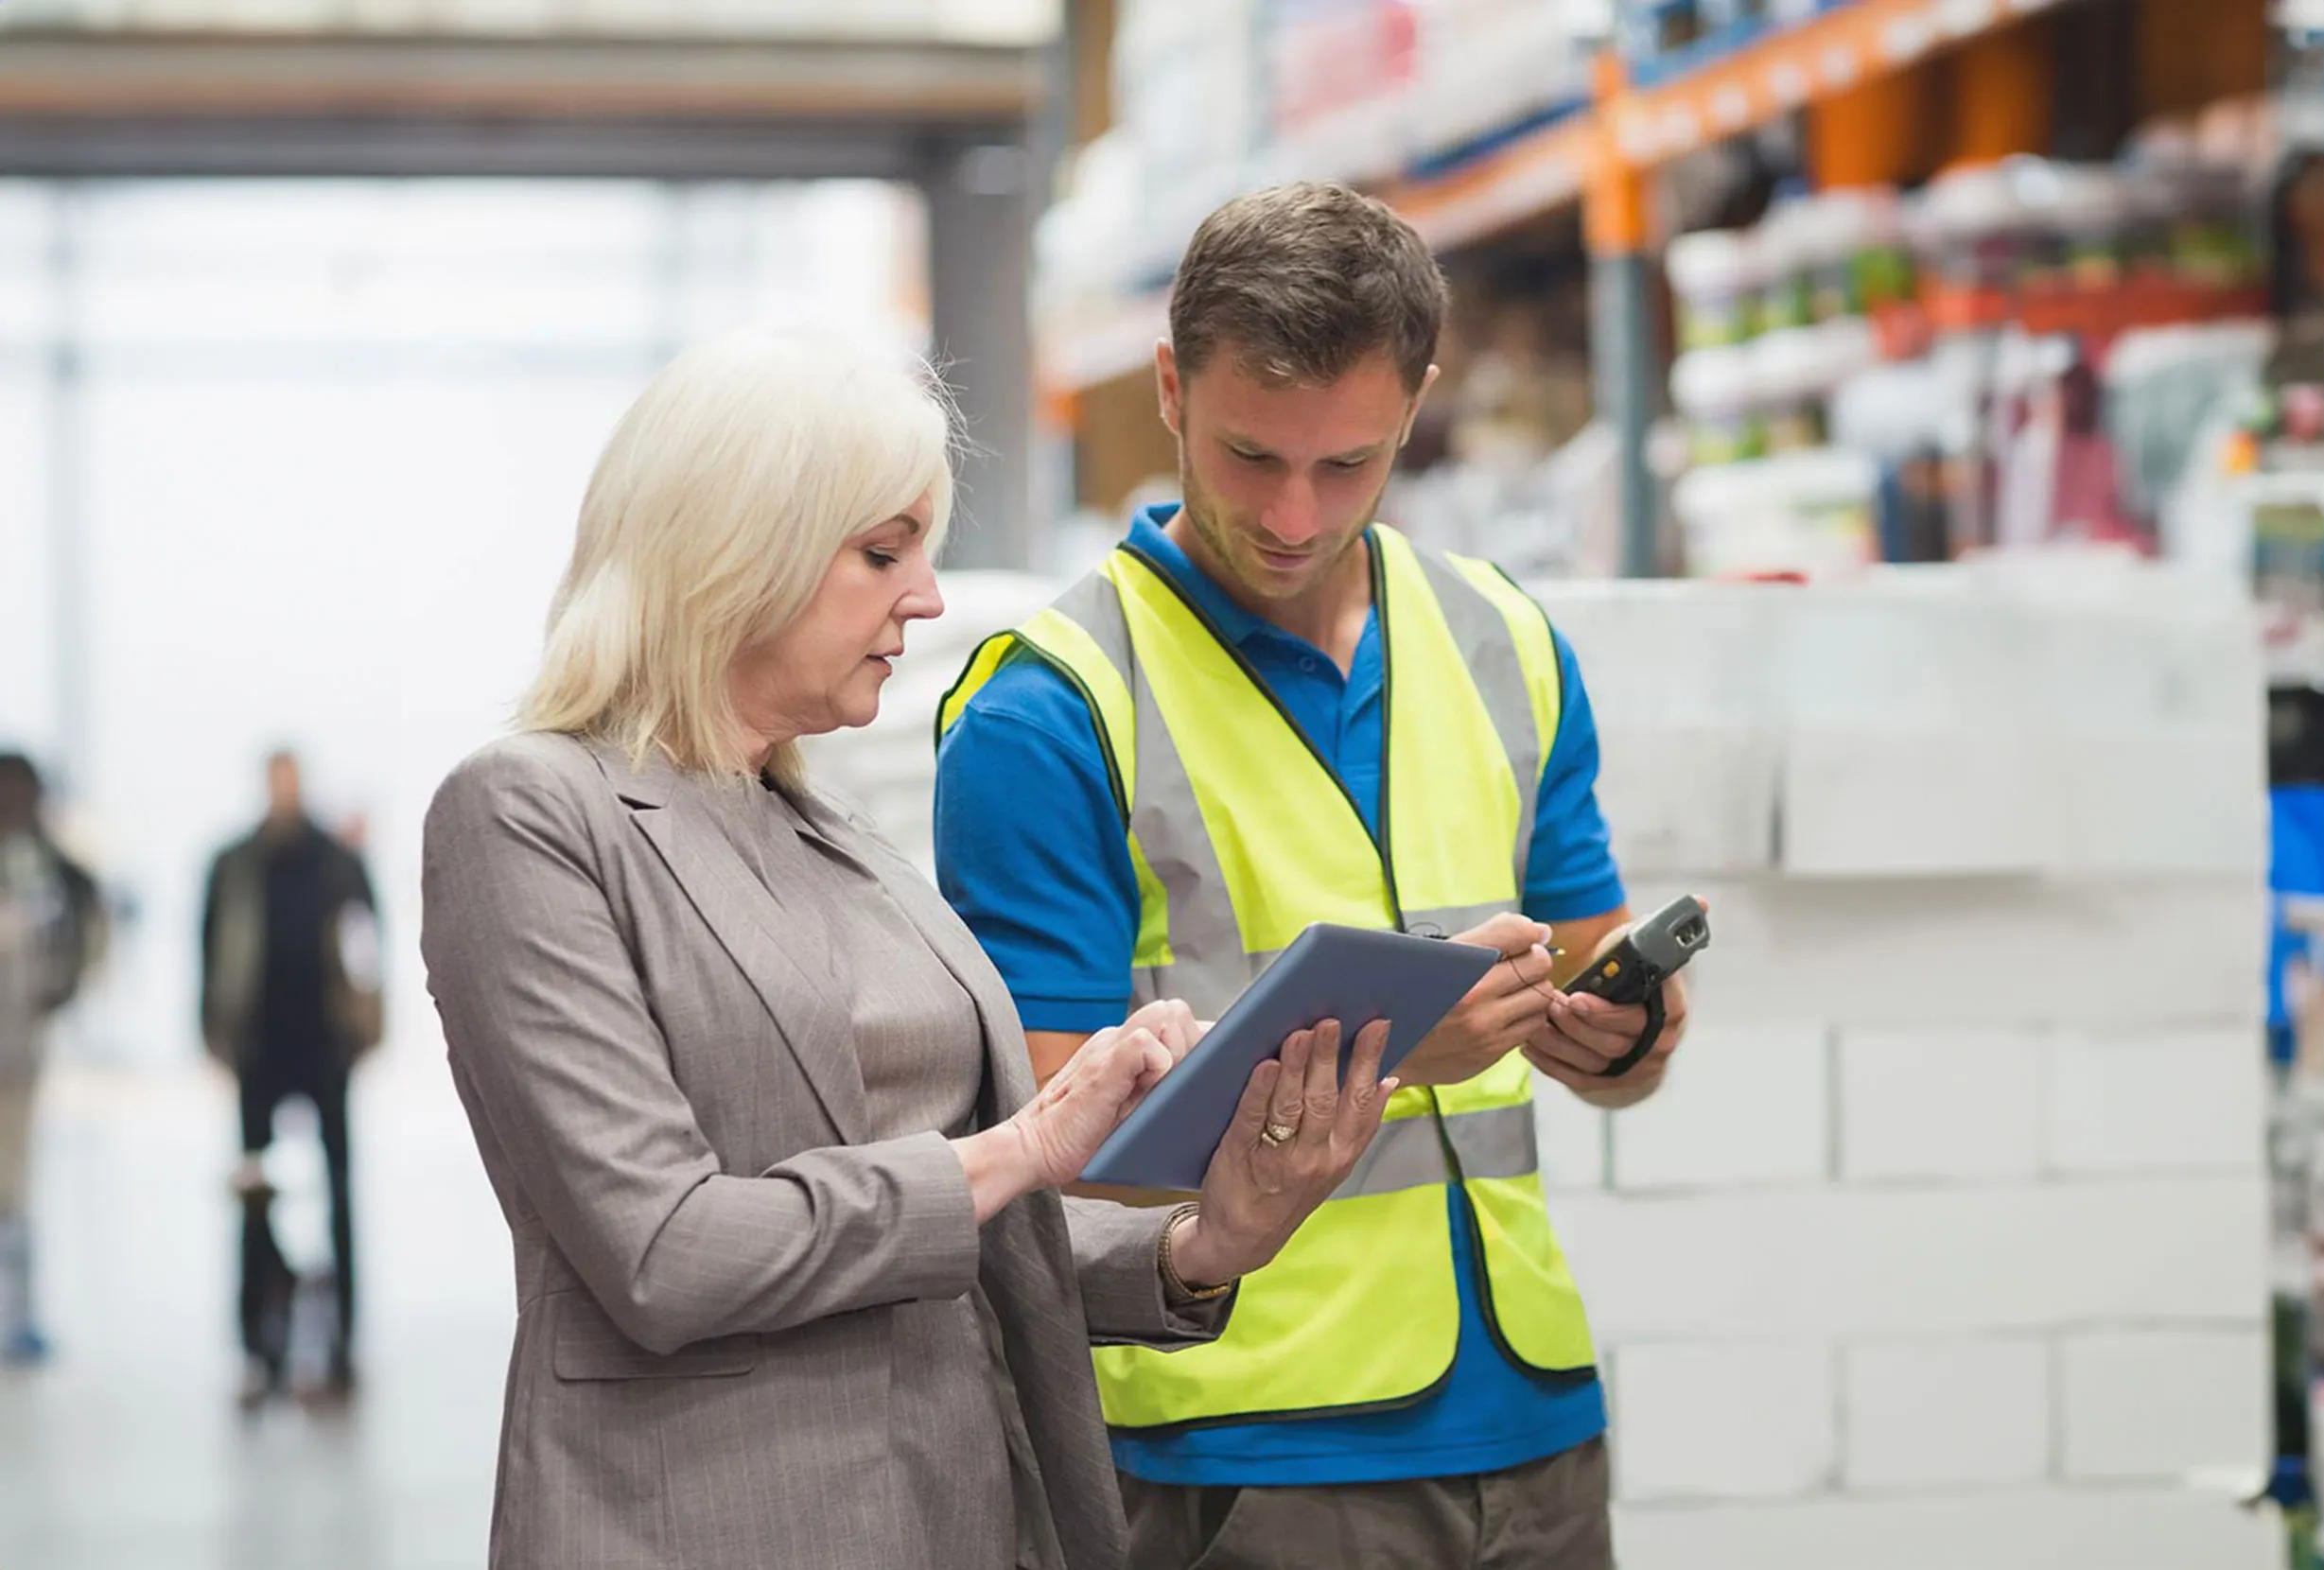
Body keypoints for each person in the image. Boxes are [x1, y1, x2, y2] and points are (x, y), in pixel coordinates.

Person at [419, 323, 1391, 1570]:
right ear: (734, 551)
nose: (925, 597)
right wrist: (1028, 1144)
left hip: (955, 1507)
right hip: (707, 1525)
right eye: (882, 553)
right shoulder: (529, 814)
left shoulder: (829, 832)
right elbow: (665, 1254)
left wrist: (1200, 1247)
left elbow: (957, 1239)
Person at [934, 182, 1690, 1570]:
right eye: (1250, 456)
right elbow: (1051, 1153)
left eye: (1347, 465)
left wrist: (1622, 1029)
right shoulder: (1049, 712)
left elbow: (1609, 1038)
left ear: (1416, 406)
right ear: (1171, 389)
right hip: (1244, 1446)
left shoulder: (1504, 640)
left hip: (1532, 1416)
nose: (1292, 513)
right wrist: (1408, 1053)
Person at [200, 748, 379, 1402]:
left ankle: (340, 1342)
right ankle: (259, 1344)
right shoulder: (234, 864)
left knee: (338, 1194)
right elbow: (210, 946)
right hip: (258, 1050)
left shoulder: (338, 862)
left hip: (325, 1048)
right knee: (253, 1195)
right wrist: (214, 1035)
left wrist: (367, 1030)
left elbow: (369, 946)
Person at [0, 752, 104, 1367]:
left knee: (14, 1186)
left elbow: (84, 924)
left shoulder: (48, 870)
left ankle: (20, 1311)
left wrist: (59, 990)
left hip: (22, 1052)